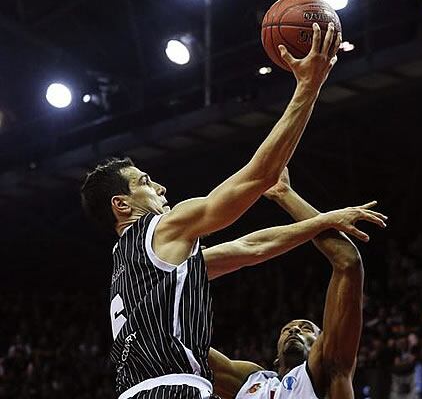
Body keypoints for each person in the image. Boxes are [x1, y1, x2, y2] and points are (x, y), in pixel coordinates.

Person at [80, 24, 344, 399]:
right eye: (144, 182)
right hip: (174, 390)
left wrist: (322, 220)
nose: (160, 188)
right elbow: (257, 178)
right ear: (121, 205)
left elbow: (250, 248)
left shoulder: (134, 266)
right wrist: (308, 86)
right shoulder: (161, 228)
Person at [208, 168, 383, 399]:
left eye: (307, 328)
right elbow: (181, 347)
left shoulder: (330, 368)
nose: (294, 329)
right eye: (287, 329)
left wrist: (285, 195)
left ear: (322, 342)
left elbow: (348, 261)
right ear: (276, 358)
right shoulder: (251, 382)